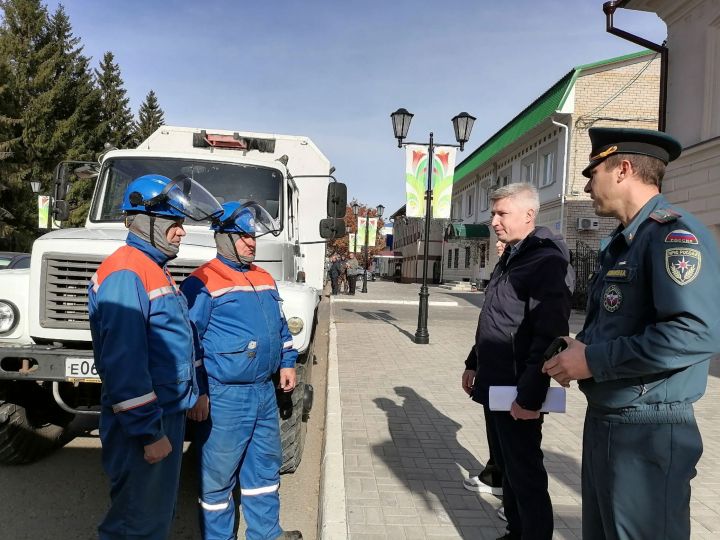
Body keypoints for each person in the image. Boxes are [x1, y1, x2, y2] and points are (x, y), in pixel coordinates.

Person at [543, 127, 720, 540]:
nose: (587, 185)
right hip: (610, 418)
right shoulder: (625, 243)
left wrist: (593, 360)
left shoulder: (673, 236)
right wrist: (579, 352)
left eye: (593, 172)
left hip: (649, 430)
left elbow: (696, 332)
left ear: (623, 169)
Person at [88, 173, 222, 539]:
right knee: (136, 524)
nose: (181, 232)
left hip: (165, 414)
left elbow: (177, 342)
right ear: (144, 221)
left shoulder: (150, 268)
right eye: (172, 223)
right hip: (145, 423)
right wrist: (148, 433)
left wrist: (193, 395)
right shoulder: (126, 272)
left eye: (180, 223)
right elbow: (124, 366)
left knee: (151, 517)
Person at [181, 201, 303, 540]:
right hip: (224, 395)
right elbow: (188, 343)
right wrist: (199, 391)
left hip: (263, 392)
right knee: (218, 478)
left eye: (252, 236)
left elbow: (280, 329)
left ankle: (266, 534)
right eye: (242, 236)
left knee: (264, 469)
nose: (251, 242)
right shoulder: (201, 281)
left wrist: (287, 363)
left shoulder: (264, 278)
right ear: (222, 238)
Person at [464, 183, 574, 540]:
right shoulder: (513, 255)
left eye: (501, 214)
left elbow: (549, 335)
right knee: (507, 467)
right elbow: (496, 319)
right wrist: (473, 362)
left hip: (518, 388)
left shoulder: (546, 261)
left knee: (524, 471)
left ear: (529, 215)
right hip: (496, 381)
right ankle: (516, 531)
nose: (493, 221)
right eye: (492, 213)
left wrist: (529, 396)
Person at [463, 239, 507, 521]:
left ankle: (518, 504)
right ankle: (496, 477)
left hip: (515, 369)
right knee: (496, 430)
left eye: (503, 241)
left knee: (515, 442)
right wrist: (473, 362)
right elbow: (489, 321)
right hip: (493, 366)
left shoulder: (541, 263)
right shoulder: (504, 267)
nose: (498, 244)